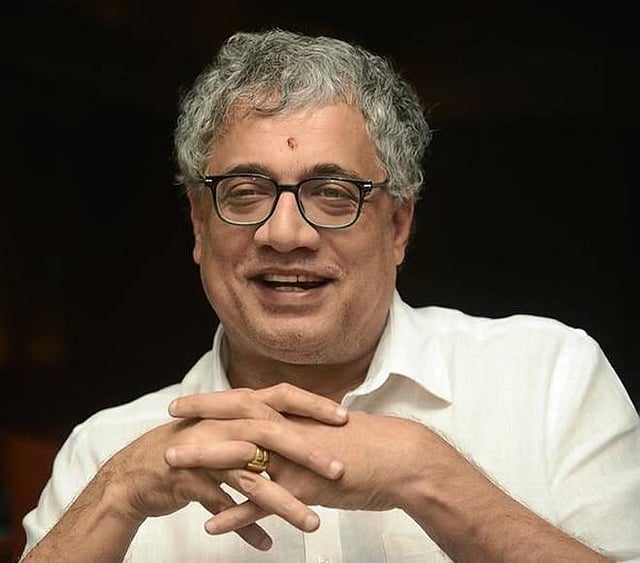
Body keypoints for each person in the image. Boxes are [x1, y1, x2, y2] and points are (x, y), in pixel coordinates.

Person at [20, 28, 640, 562]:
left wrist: (427, 474)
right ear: (199, 227)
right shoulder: (105, 451)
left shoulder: (551, 378)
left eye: (333, 194)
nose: (284, 234)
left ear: (397, 227)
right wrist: (117, 496)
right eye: (245, 192)